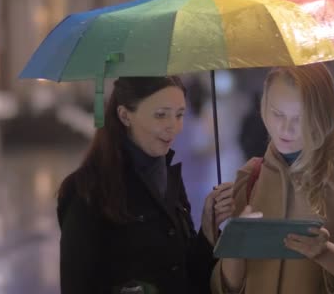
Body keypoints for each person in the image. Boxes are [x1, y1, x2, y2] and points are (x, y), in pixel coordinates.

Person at [211, 64, 334, 294]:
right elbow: (227, 286)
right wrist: (234, 247)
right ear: (263, 107)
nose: (285, 128)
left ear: (322, 113)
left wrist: (328, 253)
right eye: (277, 113)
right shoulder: (251, 177)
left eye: (299, 118)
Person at [57, 76, 234, 294]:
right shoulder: (87, 190)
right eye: (161, 115)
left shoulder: (169, 180)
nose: (174, 127)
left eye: (179, 115)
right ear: (124, 115)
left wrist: (208, 229)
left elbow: (189, 275)